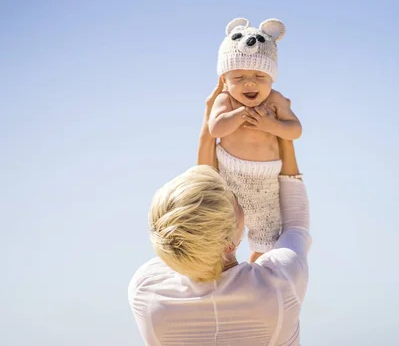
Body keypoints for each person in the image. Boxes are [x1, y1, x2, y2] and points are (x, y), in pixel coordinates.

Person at [127, 78, 311, 345]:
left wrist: (208, 123)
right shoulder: (280, 286)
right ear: (228, 243)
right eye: (237, 205)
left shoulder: (147, 292)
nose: (239, 202)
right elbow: (296, 225)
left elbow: (188, 228)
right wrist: (280, 131)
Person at [210, 17, 302, 262]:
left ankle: (255, 272)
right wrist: (239, 114)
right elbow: (215, 130)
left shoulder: (275, 100)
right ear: (225, 81)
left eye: (259, 76)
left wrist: (272, 125)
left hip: (266, 179)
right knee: (222, 229)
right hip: (230, 173)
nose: (249, 83)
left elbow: (295, 130)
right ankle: (226, 270)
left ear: (271, 78)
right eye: (238, 77)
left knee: (266, 236)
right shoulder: (226, 101)